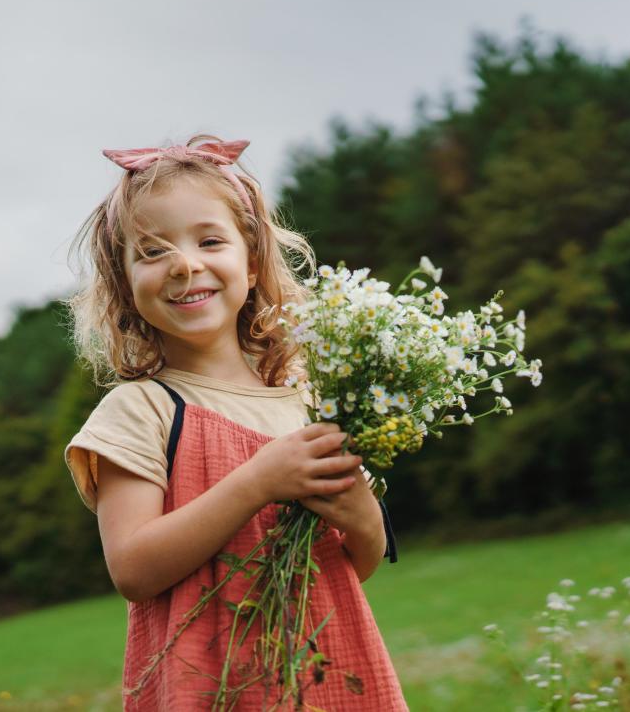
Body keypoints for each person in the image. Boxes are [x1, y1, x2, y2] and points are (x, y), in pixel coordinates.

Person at [61, 135, 407, 710]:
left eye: (210, 240)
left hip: (327, 676)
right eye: (151, 252)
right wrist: (258, 482)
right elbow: (133, 569)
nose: (184, 264)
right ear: (124, 286)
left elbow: (351, 566)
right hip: (213, 687)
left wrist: (365, 519)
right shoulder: (141, 409)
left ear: (251, 263)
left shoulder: (307, 400)